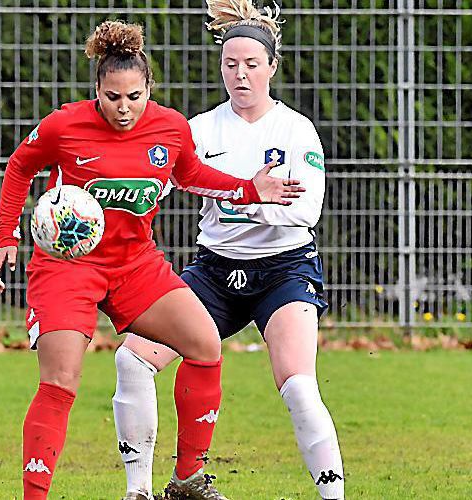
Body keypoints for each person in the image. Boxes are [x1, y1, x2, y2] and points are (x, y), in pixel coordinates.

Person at [0, 20, 303, 500]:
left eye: (134, 96)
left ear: (148, 89)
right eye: (113, 97)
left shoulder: (170, 127)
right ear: (98, 89)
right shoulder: (64, 124)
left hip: (135, 264)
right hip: (68, 268)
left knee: (204, 344)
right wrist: (5, 236)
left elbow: (192, 173)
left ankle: (186, 482)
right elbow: (20, 166)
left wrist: (247, 189)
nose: (124, 107)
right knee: (61, 381)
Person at [113, 1, 345, 499]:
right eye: (230, 64)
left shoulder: (296, 130)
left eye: (251, 65)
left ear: (272, 67)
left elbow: (305, 213)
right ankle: (141, 492)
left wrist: (241, 198)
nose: (239, 75)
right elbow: (152, 187)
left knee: (300, 386)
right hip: (215, 272)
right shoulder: (199, 130)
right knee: (132, 361)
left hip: (283, 270)